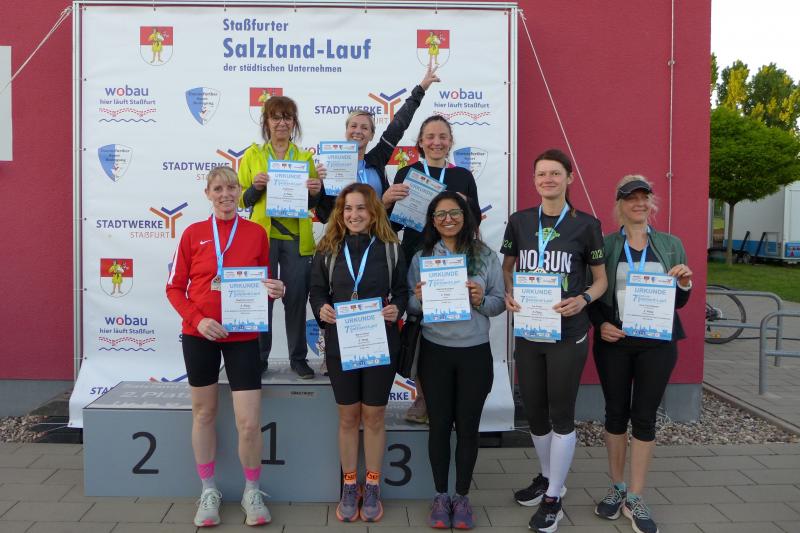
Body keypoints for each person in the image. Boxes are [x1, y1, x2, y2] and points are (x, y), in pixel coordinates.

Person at [166, 167, 285, 528]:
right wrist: (197, 319)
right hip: (199, 335)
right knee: (204, 414)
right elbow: (174, 288)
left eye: (231, 187)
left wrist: (275, 290)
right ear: (208, 193)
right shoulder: (192, 234)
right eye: (218, 188)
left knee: (248, 422)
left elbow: (263, 283)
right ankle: (208, 490)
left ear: (239, 191)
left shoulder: (256, 233)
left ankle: (252, 491)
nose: (225, 194)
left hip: (243, 338)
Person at [502, 149, 608, 533]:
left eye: (555, 173)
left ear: (569, 178)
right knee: (534, 411)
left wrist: (584, 299)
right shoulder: (519, 221)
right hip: (531, 330)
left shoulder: (587, 225)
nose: (547, 179)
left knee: (561, 414)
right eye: (541, 174)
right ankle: (549, 479)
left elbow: (601, 280)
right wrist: (509, 293)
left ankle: (553, 500)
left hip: (569, 332)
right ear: (534, 180)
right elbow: (507, 268)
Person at [589, 175, 692, 533]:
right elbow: (593, 292)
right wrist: (600, 324)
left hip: (657, 345)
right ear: (619, 205)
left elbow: (679, 300)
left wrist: (685, 283)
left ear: (651, 203)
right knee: (615, 414)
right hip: (615, 341)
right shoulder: (605, 245)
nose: (638, 203)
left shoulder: (671, 244)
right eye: (630, 198)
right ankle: (617, 487)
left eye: (643, 197)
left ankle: (635, 496)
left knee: (644, 418)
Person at [309, 183, 408, 523]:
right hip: (342, 345)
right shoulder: (328, 248)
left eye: (361, 208)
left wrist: (397, 308)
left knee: (374, 416)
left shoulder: (391, 248)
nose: (354, 214)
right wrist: (321, 309)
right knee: (349, 417)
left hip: (381, 345)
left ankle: (374, 484)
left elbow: (402, 292)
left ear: (373, 211)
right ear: (340, 212)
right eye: (348, 208)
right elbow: (317, 291)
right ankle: (350, 484)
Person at [406, 191, 505, 529]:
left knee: (467, 427)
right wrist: (419, 299)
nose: (447, 219)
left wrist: (480, 300)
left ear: (466, 216)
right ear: (432, 221)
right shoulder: (422, 257)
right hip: (435, 352)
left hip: (474, 353)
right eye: (440, 214)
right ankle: (440, 495)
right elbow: (411, 306)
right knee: (438, 425)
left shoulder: (485, 255)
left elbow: (498, 303)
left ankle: (461, 496)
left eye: (454, 213)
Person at [238, 95, 326, 379]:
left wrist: (316, 192)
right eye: (275, 117)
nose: (281, 122)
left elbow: (312, 203)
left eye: (287, 117)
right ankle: (259, 358)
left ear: (294, 123)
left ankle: (298, 358)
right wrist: (255, 187)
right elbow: (241, 200)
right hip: (261, 238)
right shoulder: (252, 155)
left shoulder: (304, 157)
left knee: (296, 298)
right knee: (261, 299)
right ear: (266, 121)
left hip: (295, 238)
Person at [387, 115, 481, 263]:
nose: (437, 142)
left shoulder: (464, 176)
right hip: (414, 256)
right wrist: (385, 203)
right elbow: (394, 226)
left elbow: (475, 221)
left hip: (454, 258)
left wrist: (466, 202)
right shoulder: (406, 173)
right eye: (430, 137)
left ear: (450, 142)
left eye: (443, 137)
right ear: (421, 142)